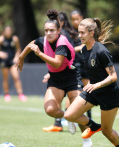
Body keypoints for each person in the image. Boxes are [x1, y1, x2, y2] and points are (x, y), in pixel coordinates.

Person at [64, 18, 119, 147]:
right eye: (79, 33)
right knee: (69, 115)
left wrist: (96, 84)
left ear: (91, 33)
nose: (79, 36)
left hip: (109, 95)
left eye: (82, 33)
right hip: (93, 91)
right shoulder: (85, 49)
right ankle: (93, 126)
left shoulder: (101, 51)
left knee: (106, 131)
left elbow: (113, 76)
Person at [16, 9, 83, 140]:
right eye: (46, 30)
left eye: (52, 30)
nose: (48, 33)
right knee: (50, 110)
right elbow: (31, 44)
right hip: (56, 79)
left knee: (77, 110)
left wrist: (40, 54)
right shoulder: (43, 40)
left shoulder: (62, 42)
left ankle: (86, 140)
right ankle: (68, 117)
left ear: (59, 31)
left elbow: (58, 63)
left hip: (71, 77)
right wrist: (21, 57)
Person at [41, 11, 92, 147]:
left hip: (75, 71)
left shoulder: (68, 35)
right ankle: (67, 119)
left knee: (79, 106)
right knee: (65, 108)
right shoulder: (54, 36)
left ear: (61, 23)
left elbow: (63, 57)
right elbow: (58, 58)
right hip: (61, 74)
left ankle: (86, 139)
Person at [0, 26, 27, 102]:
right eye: (7, 30)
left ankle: (20, 94)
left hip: (12, 61)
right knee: (6, 78)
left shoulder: (15, 38)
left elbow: (18, 48)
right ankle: (7, 94)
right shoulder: (1, 39)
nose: (8, 32)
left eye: (9, 30)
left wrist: (16, 57)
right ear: (4, 31)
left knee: (16, 77)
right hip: (4, 61)